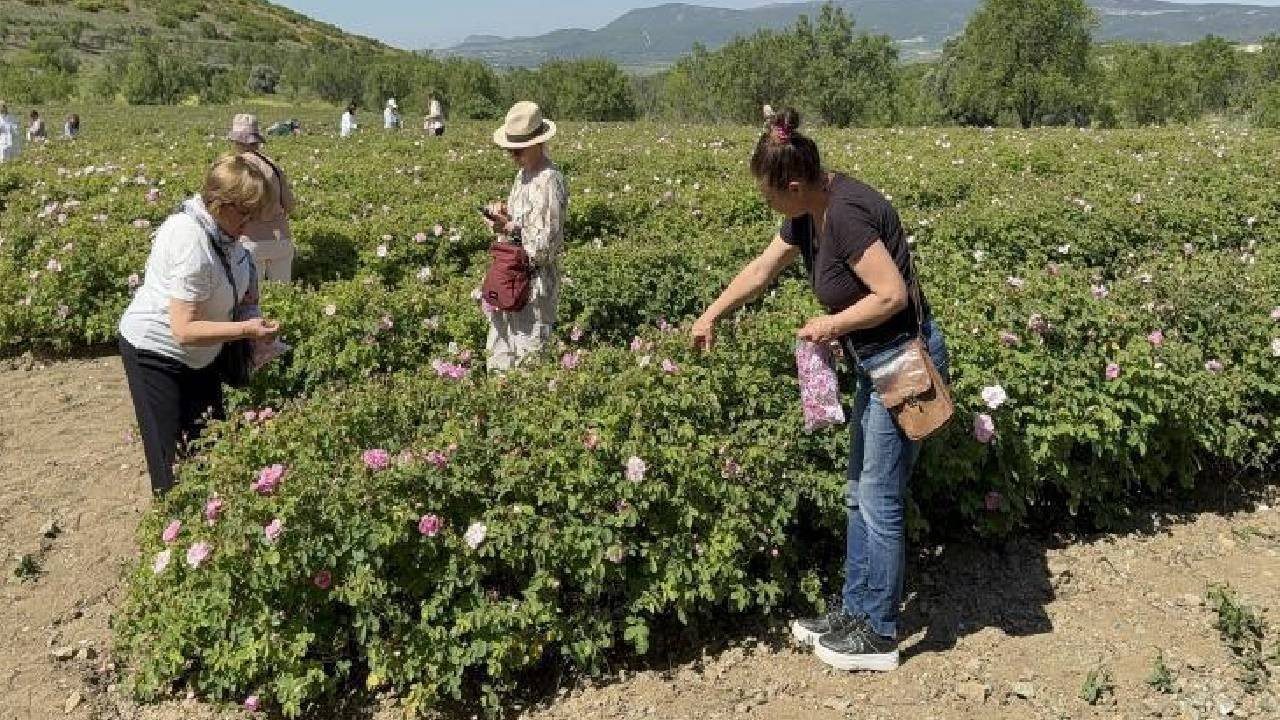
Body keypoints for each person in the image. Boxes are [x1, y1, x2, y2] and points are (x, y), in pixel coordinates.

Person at [691, 108, 949, 673]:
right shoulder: (808, 212)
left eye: (768, 196)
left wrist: (831, 325)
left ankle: (878, 633)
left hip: (902, 359)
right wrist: (711, 313)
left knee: (878, 497)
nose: (766, 206)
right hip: (872, 359)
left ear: (792, 184)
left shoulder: (847, 215)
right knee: (859, 491)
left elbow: (891, 296)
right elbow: (762, 268)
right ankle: (854, 611)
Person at [118, 155, 280, 495]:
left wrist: (250, 307)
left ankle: (209, 520)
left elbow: (235, 280)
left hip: (201, 354)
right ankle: (175, 521)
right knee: (172, 456)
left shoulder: (224, 233)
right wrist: (246, 331)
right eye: (245, 213)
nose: (249, 225)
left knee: (210, 441)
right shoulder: (190, 240)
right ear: (220, 204)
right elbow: (183, 329)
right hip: (157, 351)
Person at [483, 101, 568, 372]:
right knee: (500, 356)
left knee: (527, 363)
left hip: (533, 288)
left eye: (518, 149)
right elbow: (521, 223)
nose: (512, 154)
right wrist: (501, 217)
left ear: (538, 143)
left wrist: (511, 227)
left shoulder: (550, 180)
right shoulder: (522, 176)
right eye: (510, 149)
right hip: (509, 280)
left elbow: (545, 247)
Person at [227, 113, 296, 282]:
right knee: (283, 296)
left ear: (236, 141)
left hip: (250, 242)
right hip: (281, 240)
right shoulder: (273, 165)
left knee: (251, 303)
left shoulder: (235, 166)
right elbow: (290, 205)